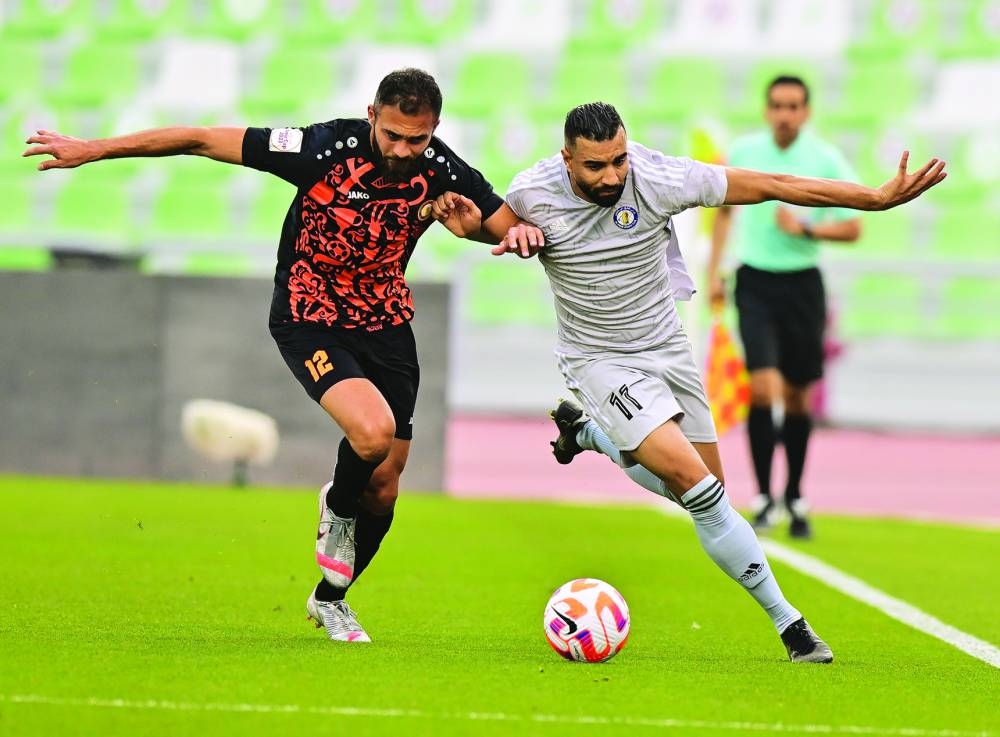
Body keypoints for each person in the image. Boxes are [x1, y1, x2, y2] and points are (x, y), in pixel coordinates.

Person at [23, 68, 543, 643]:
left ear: (433, 130)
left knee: (386, 485)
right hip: (310, 316)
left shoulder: (442, 169)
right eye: (392, 134)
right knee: (372, 435)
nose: (401, 150)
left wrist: (479, 232)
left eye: (414, 139)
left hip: (387, 325)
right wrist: (94, 149)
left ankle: (331, 598)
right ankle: (336, 508)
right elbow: (199, 139)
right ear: (372, 115)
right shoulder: (321, 149)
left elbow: (505, 229)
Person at [492, 102, 944, 663]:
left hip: (667, 350)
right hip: (598, 359)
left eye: (618, 161)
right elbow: (479, 222)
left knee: (705, 494)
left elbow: (774, 184)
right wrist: (486, 227)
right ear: (567, 159)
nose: (612, 177)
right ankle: (792, 626)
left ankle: (588, 436)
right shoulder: (532, 192)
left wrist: (872, 199)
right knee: (699, 489)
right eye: (595, 167)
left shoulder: (658, 177)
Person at [706, 75, 862, 540]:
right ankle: (762, 496)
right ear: (766, 109)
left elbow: (853, 227)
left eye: (793, 106)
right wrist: (715, 271)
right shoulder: (744, 152)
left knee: (796, 395)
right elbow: (724, 210)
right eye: (777, 105)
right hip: (754, 280)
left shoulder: (824, 158)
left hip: (802, 286)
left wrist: (807, 230)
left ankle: (794, 492)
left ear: (807, 112)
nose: (785, 114)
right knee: (761, 388)